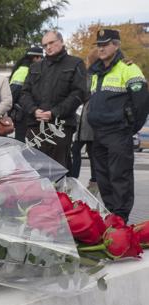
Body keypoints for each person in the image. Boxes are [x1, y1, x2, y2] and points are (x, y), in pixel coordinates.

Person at [87, 29, 149, 222]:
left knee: (119, 178)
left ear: (116, 45)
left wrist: (129, 127)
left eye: (106, 44)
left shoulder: (128, 68)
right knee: (104, 179)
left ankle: (120, 220)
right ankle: (110, 216)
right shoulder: (96, 71)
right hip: (98, 134)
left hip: (118, 133)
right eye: (99, 44)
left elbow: (142, 103)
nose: (102, 48)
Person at [20, 30, 87, 168]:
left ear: (61, 42)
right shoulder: (35, 67)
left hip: (61, 126)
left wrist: (54, 112)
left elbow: (78, 94)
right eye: (45, 45)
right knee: (33, 170)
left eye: (51, 43)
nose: (48, 47)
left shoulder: (75, 64)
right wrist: (33, 110)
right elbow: (24, 93)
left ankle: (59, 191)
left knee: (57, 169)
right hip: (35, 124)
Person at [69, 49, 99, 194]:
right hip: (90, 120)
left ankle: (74, 179)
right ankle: (94, 181)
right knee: (91, 152)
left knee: (76, 150)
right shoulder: (98, 75)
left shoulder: (90, 76)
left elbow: (83, 92)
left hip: (87, 121)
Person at [9, 46, 43, 142]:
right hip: (23, 115)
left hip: (25, 114)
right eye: (41, 58)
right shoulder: (24, 71)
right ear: (36, 58)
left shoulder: (23, 70)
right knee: (22, 144)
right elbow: (13, 94)